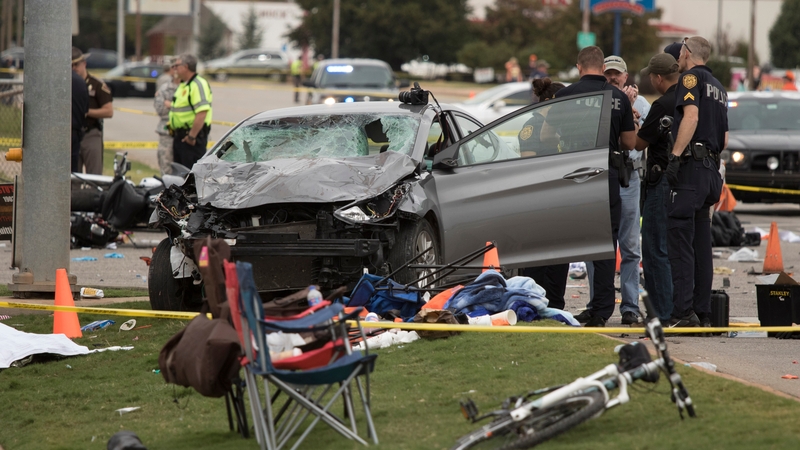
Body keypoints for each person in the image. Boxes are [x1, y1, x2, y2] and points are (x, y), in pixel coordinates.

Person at [557, 46, 637, 328]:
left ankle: (556, 303)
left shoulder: (563, 96)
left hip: (569, 177)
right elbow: (629, 142)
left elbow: (550, 136)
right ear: (602, 69)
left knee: (562, 241)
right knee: (604, 244)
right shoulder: (618, 97)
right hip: (606, 177)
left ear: (579, 67)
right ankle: (602, 311)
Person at [664, 36, 728, 328]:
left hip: (691, 171)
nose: (678, 56)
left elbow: (690, 116)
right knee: (702, 244)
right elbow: (724, 138)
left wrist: (676, 156)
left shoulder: (689, 79)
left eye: (680, 52)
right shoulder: (719, 86)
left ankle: (683, 312)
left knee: (680, 242)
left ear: (687, 53)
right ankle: (703, 312)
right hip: (711, 171)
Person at [600, 55, 650, 325]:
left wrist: (631, 111)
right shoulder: (598, 99)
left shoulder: (641, 104)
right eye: (608, 74)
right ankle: (599, 304)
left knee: (630, 247)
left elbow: (642, 142)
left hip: (628, 179)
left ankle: (630, 306)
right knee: (599, 245)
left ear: (626, 75)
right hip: (602, 175)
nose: (612, 78)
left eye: (616, 74)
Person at [635, 53, 681, 322]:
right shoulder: (689, 99)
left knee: (654, 249)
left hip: (661, 180)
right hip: (684, 181)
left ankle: (660, 313)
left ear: (658, 78)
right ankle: (678, 309)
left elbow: (639, 143)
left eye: (651, 75)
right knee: (678, 250)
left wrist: (632, 117)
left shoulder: (662, 104)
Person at [518, 78, 568, 308]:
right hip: (539, 200)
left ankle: (556, 303)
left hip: (559, 199)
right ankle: (534, 303)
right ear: (551, 101)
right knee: (538, 259)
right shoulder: (532, 125)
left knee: (560, 256)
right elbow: (528, 166)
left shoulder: (561, 126)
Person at [72, 47, 113, 174]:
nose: (74, 68)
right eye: (71, 65)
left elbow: (108, 111)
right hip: (73, 134)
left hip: (91, 133)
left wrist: (86, 112)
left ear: (84, 64)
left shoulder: (97, 85)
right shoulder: (68, 85)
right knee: (73, 177)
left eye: (76, 65)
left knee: (94, 176)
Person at [169, 54, 213, 169]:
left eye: (177, 65)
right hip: (180, 138)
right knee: (179, 177)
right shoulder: (184, 85)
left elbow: (202, 113)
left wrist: (192, 137)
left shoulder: (198, 84)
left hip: (191, 141)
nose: (174, 68)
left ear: (186, 66)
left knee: (190, 178)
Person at [154, 63, 179, 175]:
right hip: (167, 132)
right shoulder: (165, 88)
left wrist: (172, 105)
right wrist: (179, 108)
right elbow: (161, 110)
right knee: (166, 166)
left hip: (185, 134)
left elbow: (193, 110)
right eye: (174, 67)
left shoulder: (189, 87)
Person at [71, 69, 89, 173]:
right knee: (72, 174)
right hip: (75, 133)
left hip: (55, 134)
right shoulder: (80, 81)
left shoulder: (51, 79)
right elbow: (85, 112)